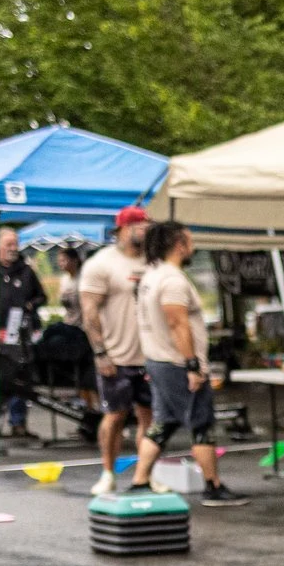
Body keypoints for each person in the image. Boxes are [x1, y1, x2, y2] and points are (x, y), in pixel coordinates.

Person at [131, 220, 242, 505]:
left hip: (158, 360)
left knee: (164, 423)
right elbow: (177, 323)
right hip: (177, 364)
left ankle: (140, 480)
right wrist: (193, 365)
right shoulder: (172, 280)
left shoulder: (151, 276)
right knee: (202, 423)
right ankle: (212, 487)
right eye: (190, 242)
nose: (193, 247)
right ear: (179, 245)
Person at [78, 207, 153, 495]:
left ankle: (146, 474)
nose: (146, 230)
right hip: (117, 356)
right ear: (123, 228)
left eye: (148, 225)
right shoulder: (102, 264)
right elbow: (89, 312)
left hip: (150, 355)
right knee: (116, 415)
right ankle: (108, 473)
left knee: (151, 418)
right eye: (140, 225)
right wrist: (100, 353)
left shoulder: (154, 263)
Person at [0, 226, 48, 443]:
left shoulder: (26, 271)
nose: (13, 249)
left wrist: (30, 305)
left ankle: (18, 422)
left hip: (20, 332)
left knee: (20, 376)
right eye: (9, 245)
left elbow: (41, 296)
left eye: (15, 244)